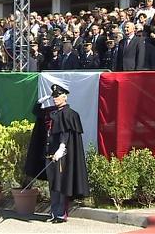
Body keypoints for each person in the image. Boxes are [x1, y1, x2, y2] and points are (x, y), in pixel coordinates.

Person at [25, 84, 90, 223]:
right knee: (53, 185)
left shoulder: (70, 114)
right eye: (53, 96)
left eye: (57, 96)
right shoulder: (52, 112)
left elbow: (66, 133)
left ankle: (61, 213)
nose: (55, 99)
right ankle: (54, 213)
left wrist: (61, 148)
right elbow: (37, 111)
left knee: (61, 185)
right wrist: (41, 101)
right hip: (49, 155)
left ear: (64, 96)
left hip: (61, 156)